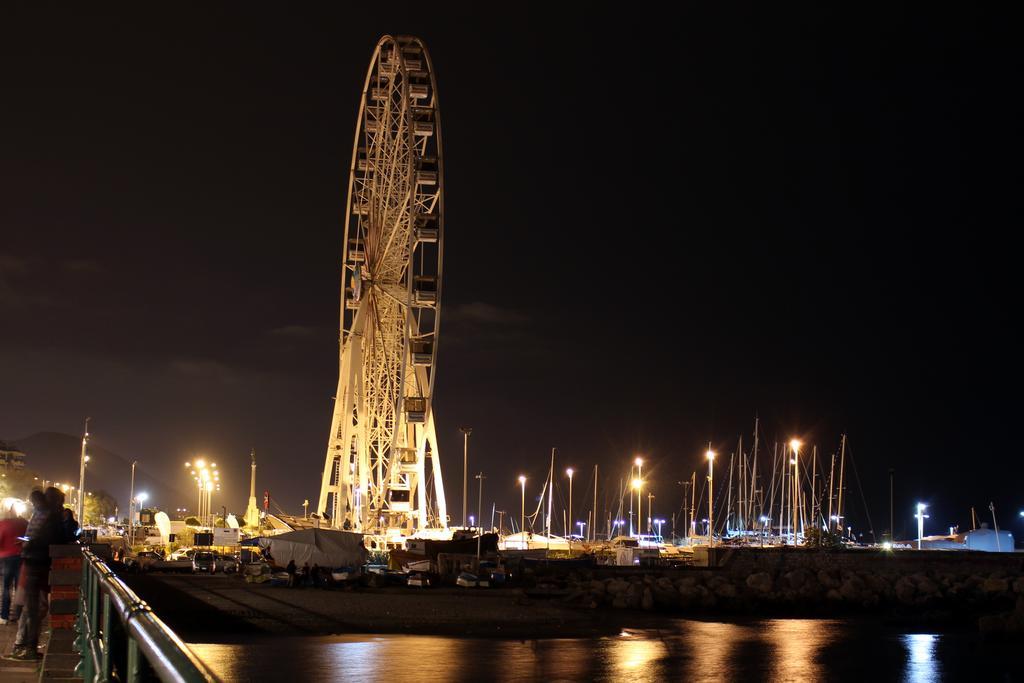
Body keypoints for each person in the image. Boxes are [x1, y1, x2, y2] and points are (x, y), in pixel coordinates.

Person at [7, 488, 62, 661]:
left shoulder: (41, 514)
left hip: (32, 561)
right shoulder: (50, 516)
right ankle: (25, 647)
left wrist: (28, 543)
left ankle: (24, 646)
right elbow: (52, 538)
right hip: (37, 563)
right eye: (60, 501)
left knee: (33, 607)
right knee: (34, 607)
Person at [0, 506, 28, 624]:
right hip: (21, 556)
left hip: (6, 558)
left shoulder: (3, 524)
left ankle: (4, 616)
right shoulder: (23, 523)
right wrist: (21, 540)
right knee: (19, 587)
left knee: (6, 587)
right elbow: (30, 536)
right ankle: (19, 616)